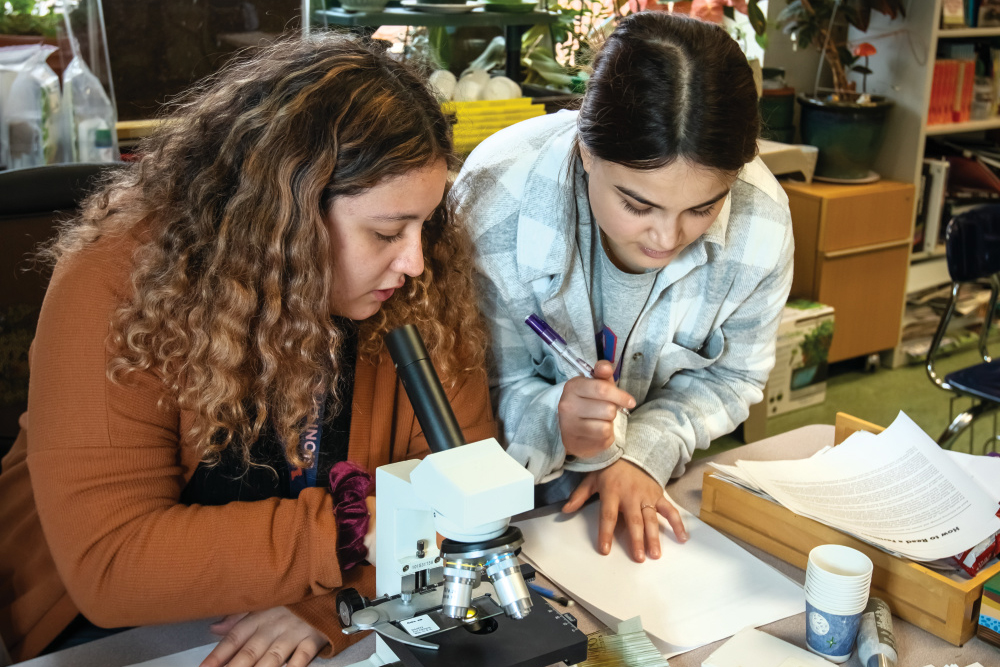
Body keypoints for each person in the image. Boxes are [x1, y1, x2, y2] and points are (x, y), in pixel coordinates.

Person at [0, 33, 495, 667]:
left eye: (423, 224)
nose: (416, 261)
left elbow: (458, 494)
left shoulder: (420, 288)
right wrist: (350, 530)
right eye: (386, 232)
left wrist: (332, 605)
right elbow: (114, 562)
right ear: (286, 217)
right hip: (96, 633)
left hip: (313, 614)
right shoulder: (116, 279)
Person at [454, 12, 793, 565]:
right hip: (502, 501)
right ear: (585, 149)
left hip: (641, 491)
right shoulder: (495, 202)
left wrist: (639, 454)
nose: (666, 238)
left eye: (702, 208)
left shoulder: (761, 225)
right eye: (638, 204)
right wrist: (553, 417)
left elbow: (735, 376)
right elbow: (464, 389)